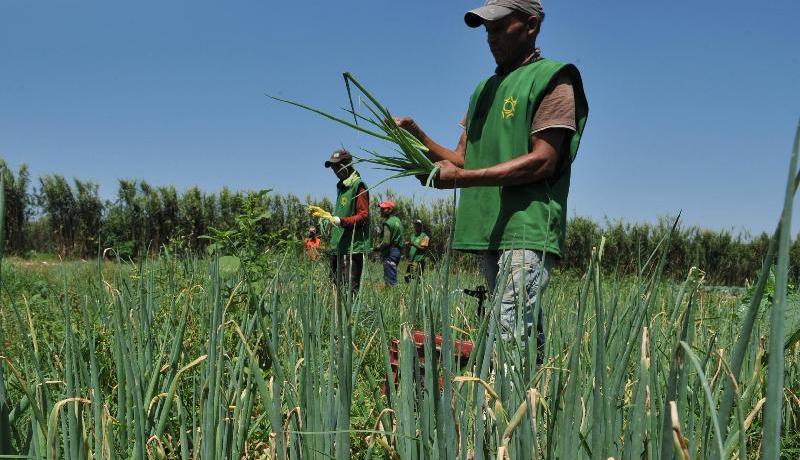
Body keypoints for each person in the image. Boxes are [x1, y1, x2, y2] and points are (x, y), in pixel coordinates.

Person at [394, 0, 589, 354]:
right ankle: (537, 398)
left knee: (509, 330)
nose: (490, 37)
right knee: (518, 330)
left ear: (531, 25)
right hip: (489, 227)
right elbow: (463, 159)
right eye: (487, 29)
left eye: (500, 28)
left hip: (526, 226)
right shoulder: (484, 89)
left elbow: (543, 161)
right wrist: (415, 137)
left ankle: (501, 409)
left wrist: (461, 180)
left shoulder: (554, 79)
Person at [313, 149, 371, 294]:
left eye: (337, 166)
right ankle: (336, 316)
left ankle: (351, 317)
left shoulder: (358, 185)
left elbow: (363, 215)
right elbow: (342, 213)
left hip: (352, 247)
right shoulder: (342, 186)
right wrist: (327, 217)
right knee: (335, 288)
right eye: (333, 167)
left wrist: (340, 221)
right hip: (338, 245)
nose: (335, 170)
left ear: (347, 164)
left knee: (350, 291)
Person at [375, 200, 404, 287]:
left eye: (383, 209)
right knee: (392, 274)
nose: (381, 210)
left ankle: (395, 298)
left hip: (390, 252)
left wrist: (377, 248)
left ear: (390, 210)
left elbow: (386, 242)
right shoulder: (397, 220)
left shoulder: (387, 223)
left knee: (390, 280)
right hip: (397, 251)